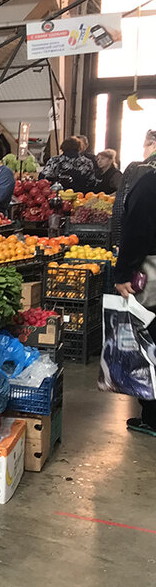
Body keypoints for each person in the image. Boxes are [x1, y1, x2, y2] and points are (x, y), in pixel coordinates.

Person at [114, 167, 156, 435]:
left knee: (150, 340)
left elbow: (137, 231)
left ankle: (153, 417)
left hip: (153, 269)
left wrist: (122, 272)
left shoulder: (150, 184)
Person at [112, 130, 156, 242]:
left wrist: (118, 240)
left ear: (154, 145)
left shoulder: (137, 168)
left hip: (144, 243)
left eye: (145, 147)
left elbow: (121, 205)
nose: (143, 153)